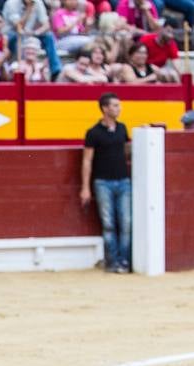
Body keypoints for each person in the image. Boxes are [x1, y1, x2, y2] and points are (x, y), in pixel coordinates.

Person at [81, 92, 131, 274]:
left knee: (126, 222)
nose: (119, 108)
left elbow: (127, 152)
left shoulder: (122, 129)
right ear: (105, 108)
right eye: (115, 105)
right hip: (102, 182)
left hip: (123, 181)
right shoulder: (93, 133)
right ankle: (112, 262)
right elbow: (87, 161)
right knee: (109, 223)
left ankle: (124, 261)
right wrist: (85, 187)